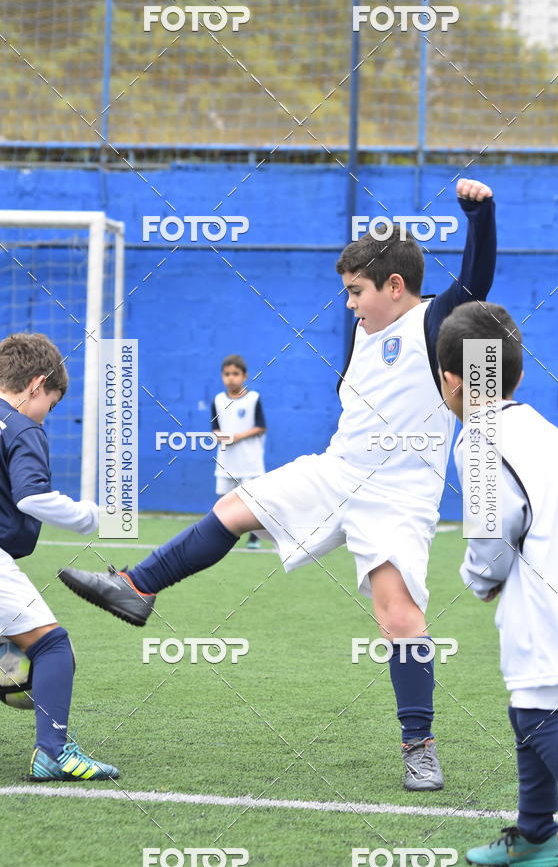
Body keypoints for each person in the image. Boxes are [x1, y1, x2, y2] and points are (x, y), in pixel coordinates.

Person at [59, 178, 496, 791]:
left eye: (356, 291)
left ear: (395, 287)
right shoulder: (361, 334)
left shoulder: (433, 323)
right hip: (335, 470)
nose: (348, 303)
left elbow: (476, 286)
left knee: (399, 619)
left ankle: (418, 745)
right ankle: (135, 587)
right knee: (235, 507)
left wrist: (480, 216)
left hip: (398, 496)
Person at [436, 301, 558, 867]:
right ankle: (536, 835)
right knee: (529, 707)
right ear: (518, 374)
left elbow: (491, 534)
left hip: (544, 601)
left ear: (450, 381)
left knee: (535, 715)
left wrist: (481, 580)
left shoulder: (477, 440)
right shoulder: (546, 430)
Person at [0, 333, 119, 781]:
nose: (46, 416)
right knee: (51, 646)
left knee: (12, 649)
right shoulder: (23, 427)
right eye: (49, 404)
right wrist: (92, 518)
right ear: (36, 384)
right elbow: (31, 498)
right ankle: (53, 752)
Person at [211, 354, 267, 550]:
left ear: (244, 376)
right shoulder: (218, 400)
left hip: (250, 461)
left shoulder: (253, 399)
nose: (231, 378)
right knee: (225, 500)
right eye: (227, 374)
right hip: (226, 460)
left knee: (252, 501)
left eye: (235, 374)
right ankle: (222, 537)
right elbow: (215, 428)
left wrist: (237, 437)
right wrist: (219, 436)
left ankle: (254, 537)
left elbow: (260, 427)